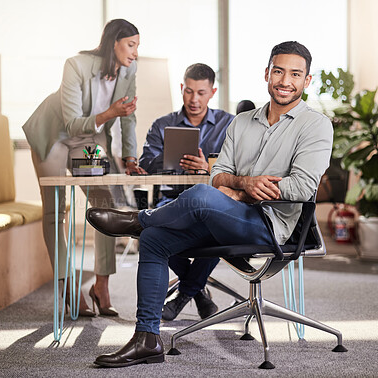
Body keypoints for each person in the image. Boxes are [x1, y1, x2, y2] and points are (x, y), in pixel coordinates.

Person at [86, 41, 333, 368]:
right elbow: (218, 175)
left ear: (307, 80)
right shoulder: (242, 122)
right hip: (228, 217)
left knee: (199, 197)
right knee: (155, 240)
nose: (285, 80)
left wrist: (242, 189)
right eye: (278, 71)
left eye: (295, 74)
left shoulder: (316, 125)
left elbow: (302, 186)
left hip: (271, 228)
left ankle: (138, 219)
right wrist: (242, 184)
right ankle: (147, 339)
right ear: (267, 73)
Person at [22, 19, 145, 317]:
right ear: (113, 42)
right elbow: (71, 122)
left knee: (105, 203)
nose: (136, 53)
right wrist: (110, 112)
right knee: (56, 209)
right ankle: (68, 285)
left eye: (138, 46)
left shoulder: (129, 70)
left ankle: (101, 286)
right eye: (131, 45)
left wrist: (129, 157)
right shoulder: (75, 65)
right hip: (54, 135)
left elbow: (127, 117)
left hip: (88, 138)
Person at [139, 63, 234, 321]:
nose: (194, 99)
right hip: (172, 200)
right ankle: (198, 291)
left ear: (212, 92)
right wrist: (173, 160)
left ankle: (183, 295)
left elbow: (242, 166)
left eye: (201, 93)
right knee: (150, 232)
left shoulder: (229, 124)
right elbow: (145, 162)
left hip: (214, 203)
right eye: (189, 91)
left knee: (217, 230)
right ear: (182, 88)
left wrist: (209, 167)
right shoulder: (163, 124)